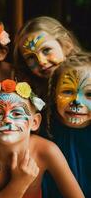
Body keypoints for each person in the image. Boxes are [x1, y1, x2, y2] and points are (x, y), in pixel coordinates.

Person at [0, 79, 84, 197]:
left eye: (17, 114)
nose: (7, 119)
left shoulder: (47, 150)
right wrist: (19, 182)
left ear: (35, 122)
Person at [44, 52, 91, 197]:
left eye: (89, 94)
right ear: (53, 93)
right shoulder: (41, 129)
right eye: (67, 91)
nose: (76, 101)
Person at [13, 16, 81, 97]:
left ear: (66, 44)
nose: (41, 62)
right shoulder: (34, 96)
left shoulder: (87, 82)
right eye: (31, 57)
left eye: (46, 50)